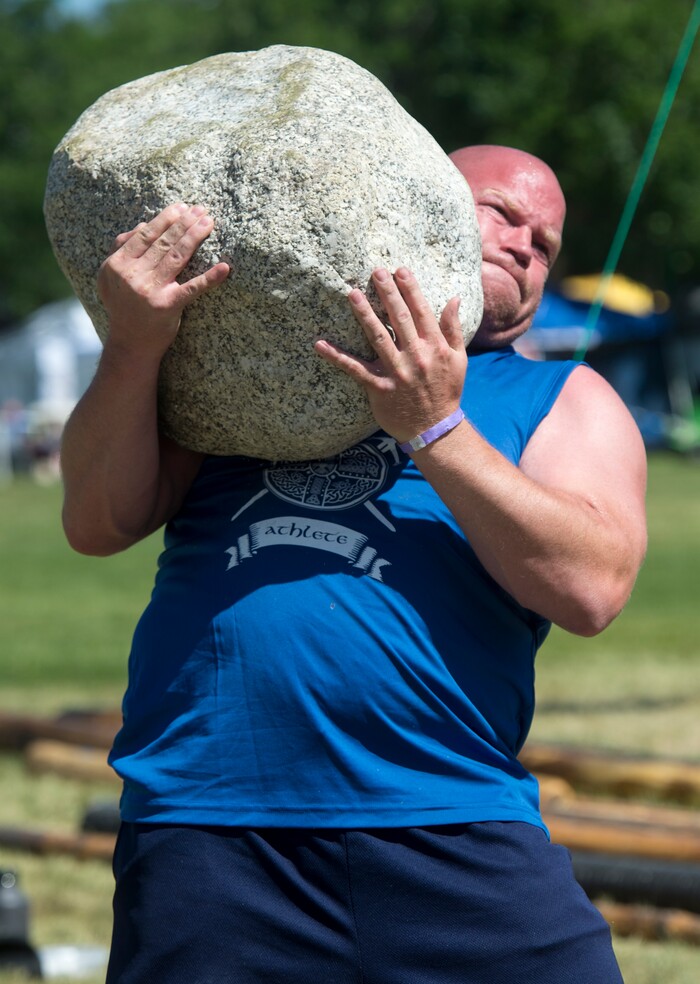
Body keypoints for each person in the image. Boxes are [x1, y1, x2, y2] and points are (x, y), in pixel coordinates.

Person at [60, 146, 646, 983]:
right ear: (412, 197)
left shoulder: (563, 398)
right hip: (210, 822)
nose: (526, 244)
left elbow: (592, 587)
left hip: (449, 817)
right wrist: (134, 346)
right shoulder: (251, 367)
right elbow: (96, 522)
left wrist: (435, 427)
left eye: (545, 244)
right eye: (503, 214)